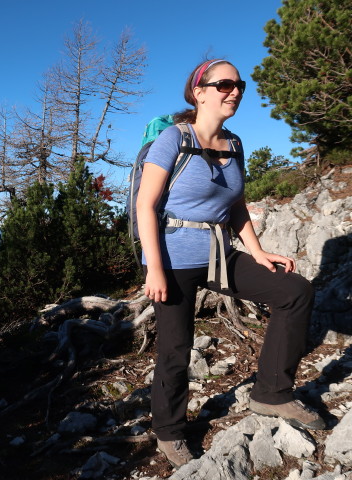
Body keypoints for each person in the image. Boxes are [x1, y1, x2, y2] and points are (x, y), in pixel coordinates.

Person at [135, 59, 326, 468]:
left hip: (221, 253)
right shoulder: (173, 138)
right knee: (176, 346)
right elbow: (145, 206)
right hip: (172, 258)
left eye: (239, 84)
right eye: (224, 84)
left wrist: (258, 252)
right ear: (199, 91)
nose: (234, 91)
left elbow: (235, 205)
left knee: (294, 291)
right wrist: (154, 267)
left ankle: (272, 393)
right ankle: (169, 431)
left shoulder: (235, 144)